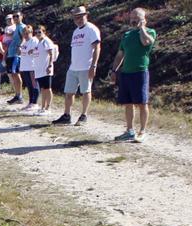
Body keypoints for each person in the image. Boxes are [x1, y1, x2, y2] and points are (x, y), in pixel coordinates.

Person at [110, 7, 157, 143]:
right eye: (132, 19)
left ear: (144, 19)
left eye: (137, 18)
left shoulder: (150, 32)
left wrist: (141, 27)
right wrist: (114, 71)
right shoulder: (127, 35)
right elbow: (120, 55)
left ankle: (142, 131)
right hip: (126, 72)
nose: (134, 21)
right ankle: (129, 130)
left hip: (140, 72)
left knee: (142, 102)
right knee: (128, 103)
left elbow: (146, 42)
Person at [53, 6, 102, 126]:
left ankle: (84, 115)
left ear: (86, 15)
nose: (79, 19)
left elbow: (97, 48)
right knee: (69, 92)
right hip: (73, 67)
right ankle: (66, 115)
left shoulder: (91, 29)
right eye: (76, 18)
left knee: (86, 91)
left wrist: (93, 66)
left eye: (81, 17)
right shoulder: (76, 31)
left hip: (86, 66)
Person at [32, 26, 56, 115]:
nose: (38, 34)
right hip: (39, 70)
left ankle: (48, 107)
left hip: (46, 69)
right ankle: (43, 107)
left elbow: (51, 53)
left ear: (44, 32)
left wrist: (49, 65)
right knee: (43, 89)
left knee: (48, 88)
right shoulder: (39, 42)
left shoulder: (46, 41)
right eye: (36, 32)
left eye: (40, 32)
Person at [6, 12, 26, 104]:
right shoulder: (16, 27)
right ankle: (17, 95)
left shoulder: (22, 26)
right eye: (14, 16)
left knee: (16, 74)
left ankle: (19, 96)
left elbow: (25, 38)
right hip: (11, 53)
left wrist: (20, 47)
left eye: (17, 16)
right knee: (13, 74)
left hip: (16, 54)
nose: (15, 18)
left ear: (22, 17)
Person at [18, 25, 40, 111]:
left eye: (27, 33)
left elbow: (37, 50)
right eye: (24, 33)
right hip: (25, 66)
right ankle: (30, 102)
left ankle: (35, 103)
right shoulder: (24, 42)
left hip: (32, 66)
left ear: (31, 33)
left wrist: (33, 51)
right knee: (29, 85)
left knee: (34, 84)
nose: (25, 35)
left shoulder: (34, 40)